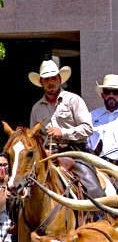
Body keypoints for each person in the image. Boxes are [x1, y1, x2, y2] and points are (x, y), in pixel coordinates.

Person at [28, 59, 103, 197]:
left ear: (60, 79)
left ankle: (100, 214)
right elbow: (34, 137)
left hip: (74, 152)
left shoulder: (73, 100)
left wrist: (63, 133)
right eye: (46, 79)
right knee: (22, 185)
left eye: (53, 78)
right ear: (41, 82)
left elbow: (88, 129)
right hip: (46, 156)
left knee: (94, 190)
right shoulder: (36, 108)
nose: (51, 82)